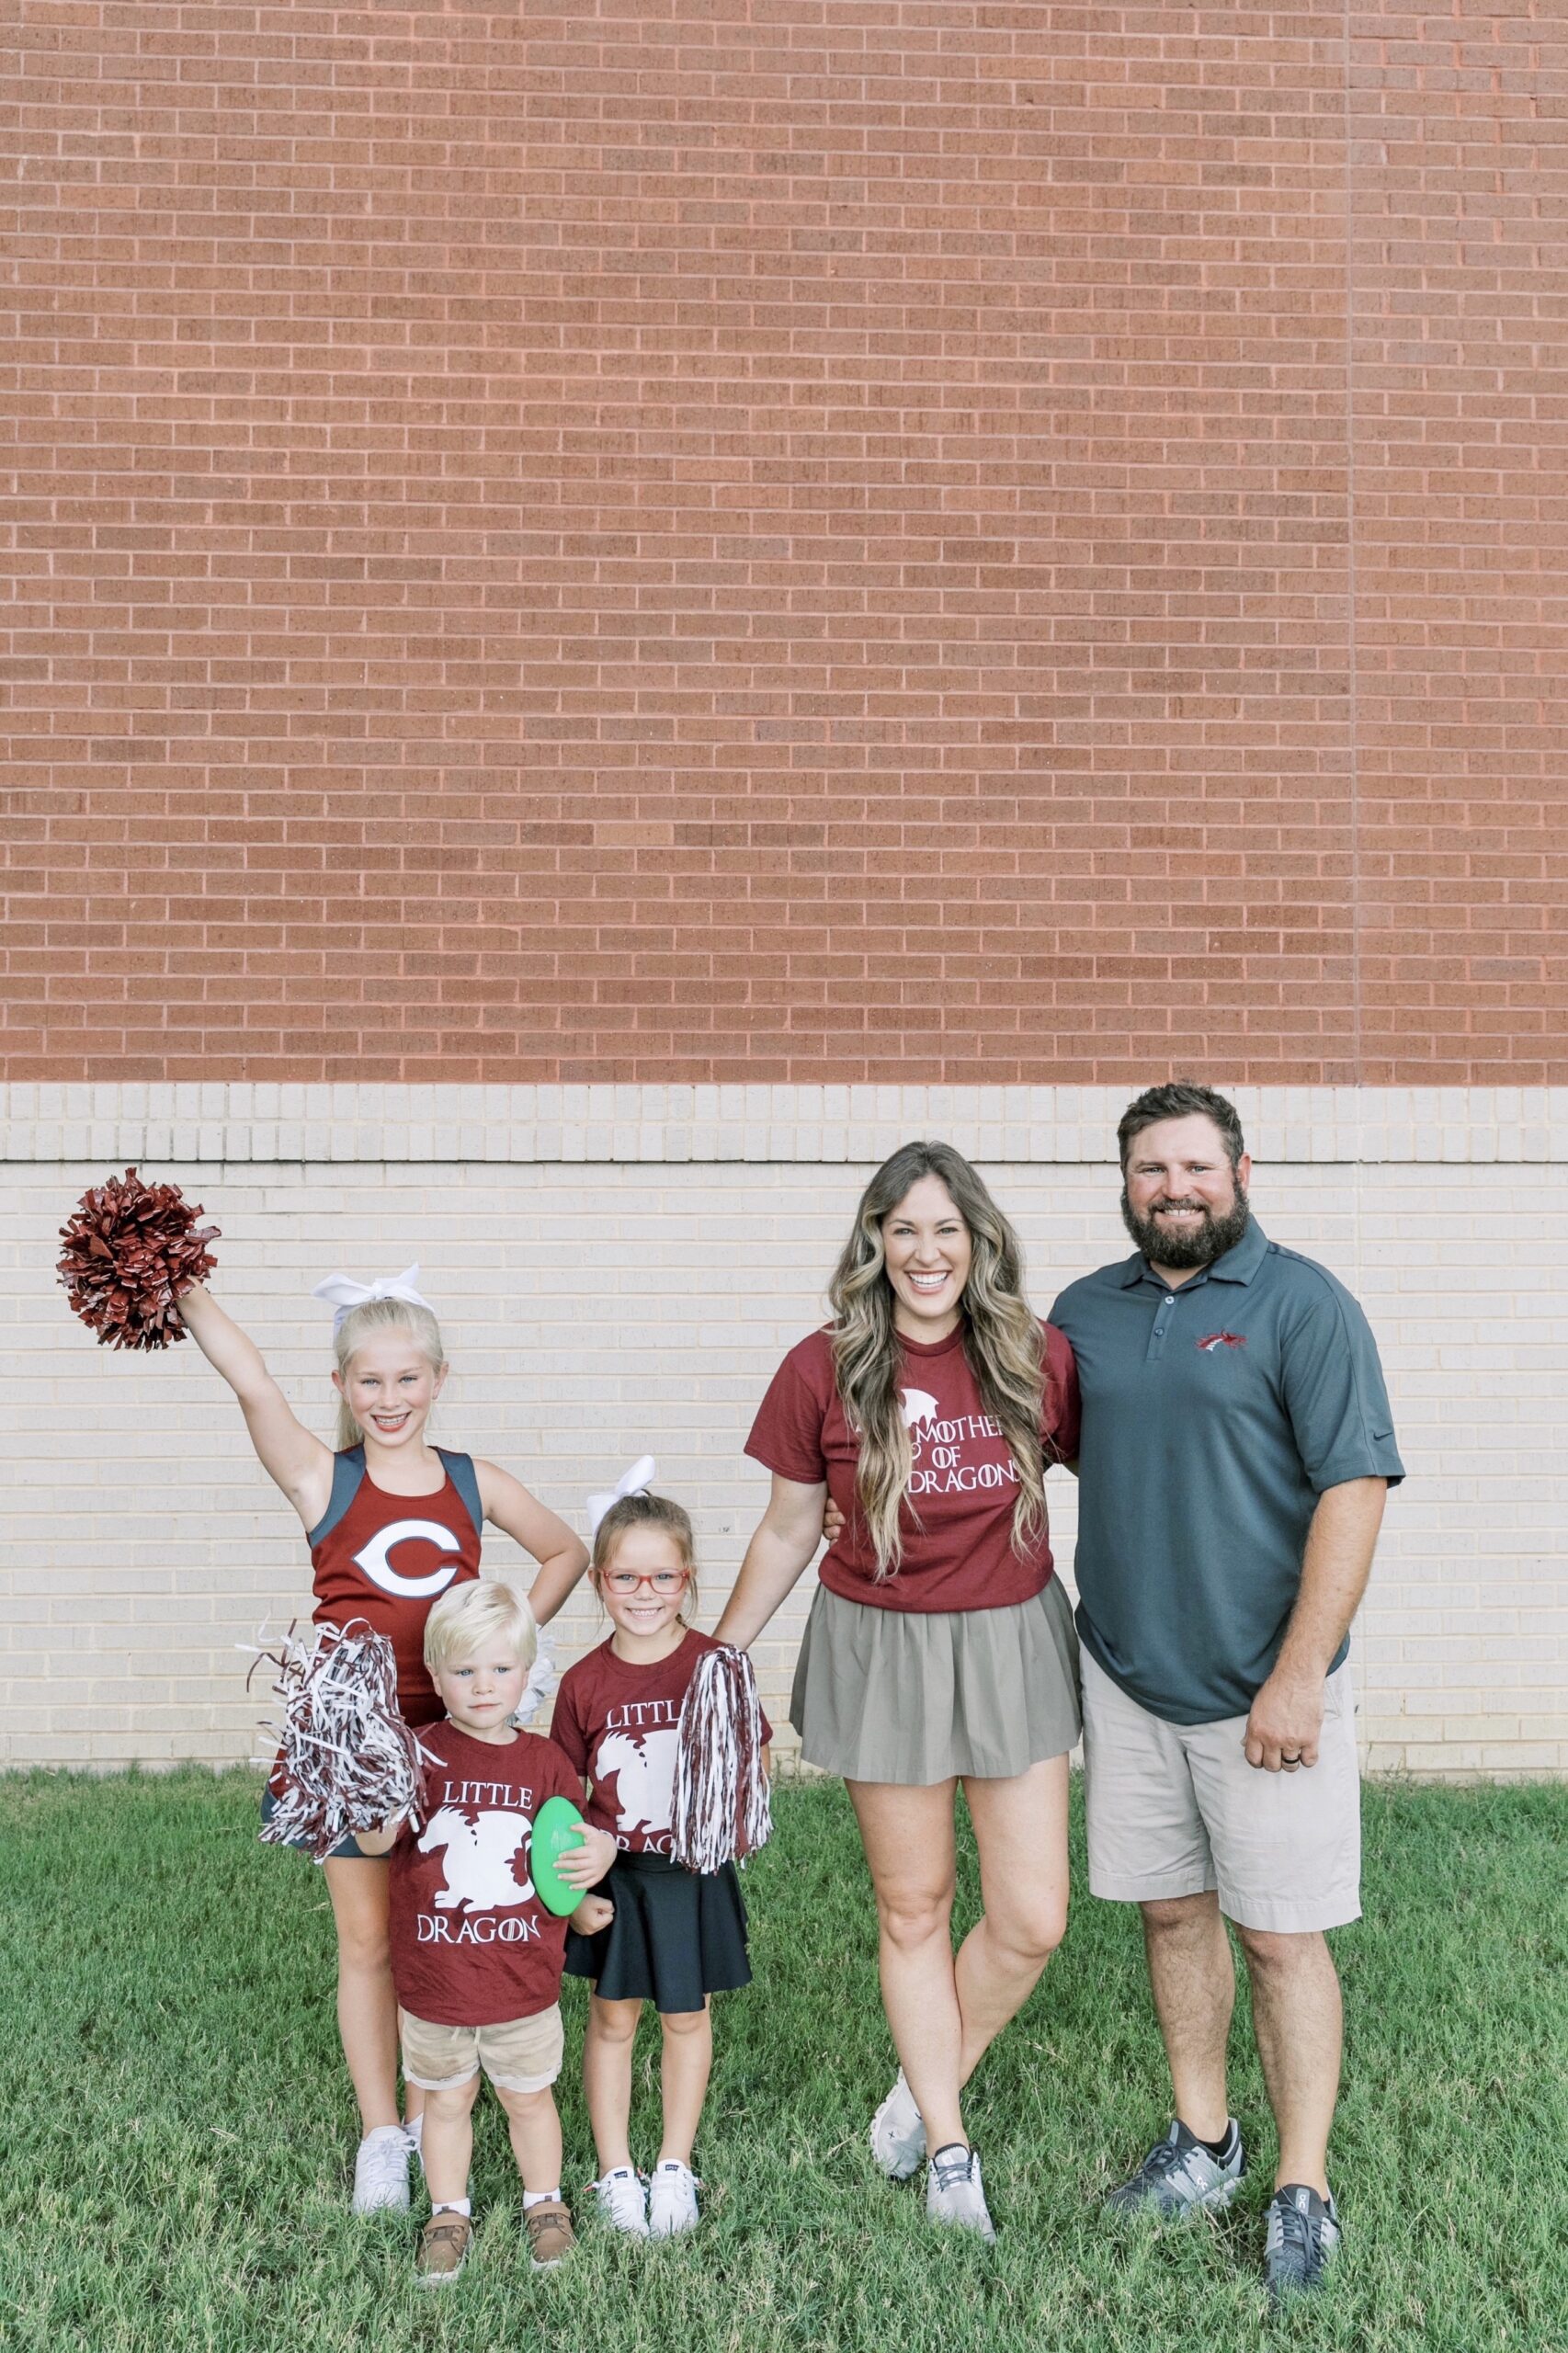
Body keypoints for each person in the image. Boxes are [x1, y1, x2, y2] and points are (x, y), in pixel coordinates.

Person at [1048, 1081, 1403, 2302]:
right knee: (1168, 1917)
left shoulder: (1302, 1304)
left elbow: (1353, 1492)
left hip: (1267, 1694)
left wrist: (1298, 1673)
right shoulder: (1083, 1313)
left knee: (1278, 1936)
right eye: (1150, 1170)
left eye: (1194, 1167)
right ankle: (1204, 2141)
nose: (1174, 1189)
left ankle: (1301, 2183)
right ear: (1124, 1184)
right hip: (1130, 1680)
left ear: (1238, 1174)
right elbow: (1007, 1447)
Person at [717, 1140, 1081, 2241]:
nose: (925, 1253)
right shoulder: (821, 1365)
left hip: (1011, 1638)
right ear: (873, 1240)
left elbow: (1121, 1471)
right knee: (914, 1906)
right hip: (880, 1644)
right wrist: (720, 1656)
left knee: (1031, 1918)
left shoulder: (1032, 1355)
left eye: (945, 1230)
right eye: (903, 1229)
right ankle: (946, 2137)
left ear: (978, 1241)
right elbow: (788, 1527)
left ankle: (925, 2072)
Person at [175, 1267, 588, 2214]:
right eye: (369, 1381)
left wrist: (502, 1638)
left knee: (431, 1932)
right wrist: (182, 1287)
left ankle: (430, 2105)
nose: (389, 1399)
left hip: (456, 1736)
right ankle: (382, 2136)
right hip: (353, 1743)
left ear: (438, 1378)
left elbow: (564, 1548)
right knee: (367, 1940)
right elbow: (251, 1385)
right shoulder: (325, 1476)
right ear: (341, 1387)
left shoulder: (473, 1479)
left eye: (407, 1379)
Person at [357, 1578, 618, 2284]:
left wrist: (600, 1860)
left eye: (500, 1669)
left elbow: (572, 1849)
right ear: (436, 1676)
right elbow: (378, 1844)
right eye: (465, 1671)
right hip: (435, 1983)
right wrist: (368, 1790)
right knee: (445, 2101)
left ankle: (546, 2204)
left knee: (529, 2097)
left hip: (520, 1981)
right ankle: (448, 2210)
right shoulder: (415, 1755)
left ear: (527, 1674)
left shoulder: (543, 1764)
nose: (483, 1686)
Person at [553, 1489, 772, 2240]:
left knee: (687, 2015)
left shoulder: (715, 1666)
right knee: (611, 2019)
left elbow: (753, 1763)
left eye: (663, 1578)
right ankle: (616, 2168)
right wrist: (574, 1893)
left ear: (688, 1579)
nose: (644, 1595)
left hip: (692, 1875)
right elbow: (558, 1803)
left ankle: (675, 2164)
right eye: (625, 1578)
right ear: (598, 1582)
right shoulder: (584, 1682)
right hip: (613, 1880)